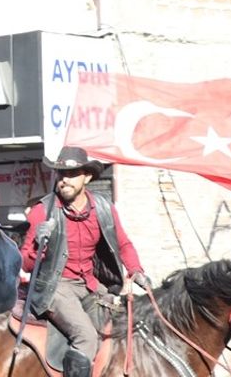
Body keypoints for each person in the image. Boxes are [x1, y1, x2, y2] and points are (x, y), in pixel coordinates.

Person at [21, 147, 151, 377]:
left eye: (72, 174)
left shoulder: (103, 208)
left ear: (87, 177)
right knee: (86, 337)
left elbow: (123, 244)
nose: (65, 180)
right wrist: (39, 246)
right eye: (61, 174)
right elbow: (25, 263)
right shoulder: (43, 211)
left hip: (90, 284)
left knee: (126, 324)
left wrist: (135, 270)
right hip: (55, 287)